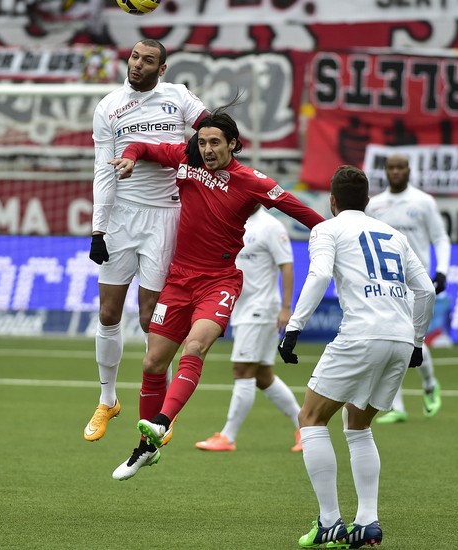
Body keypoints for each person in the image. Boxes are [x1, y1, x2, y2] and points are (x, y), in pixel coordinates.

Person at [108, 107, 325, 481]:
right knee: (152, 364)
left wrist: (341, 234)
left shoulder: (252, 181)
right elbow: (142, 147)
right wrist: (128, 158)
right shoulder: (184, 158)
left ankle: (161, 424)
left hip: (219, 282)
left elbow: (303, 213)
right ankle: (146, 448)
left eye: (214, 143)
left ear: (233, 144)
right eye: (202, 142)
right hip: (178, 280)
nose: (206, 149)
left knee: (195, 348)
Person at [277, 165, 435, 549]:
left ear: (332, 201)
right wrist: (415, 342)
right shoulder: (393, 234)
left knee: (311, 418)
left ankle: (330, 522)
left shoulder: (326, 229)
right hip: (399, 337)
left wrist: (293, 327)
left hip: (362, 334)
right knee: (358, 425)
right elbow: (426, 291)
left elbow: (318, 277)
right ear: (367, 202)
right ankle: (367, 522)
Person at [84, 39, 209, 443]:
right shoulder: (108, 107)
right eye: (135, 57)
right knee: (107, 312)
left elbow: (211, 130)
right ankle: (107, 400)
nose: (137, 65)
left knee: (152, 317)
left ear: (163, 68)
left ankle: (160, 414)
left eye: (148, 60)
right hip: (121, 217)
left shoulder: (178, 97)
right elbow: (103, 171)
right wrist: (97, 228)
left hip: (166, 217)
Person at [194, 205, 304, 453]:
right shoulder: (230, 220)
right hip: (242, 308)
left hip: (261, 308)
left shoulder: (270, 226)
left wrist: (287, 307)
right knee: (263, 376)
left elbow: (286, 266)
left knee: (242, 370)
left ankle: (227, 437)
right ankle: (306, 428)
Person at [365, 153, 450, 423]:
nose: (396, 172)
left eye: (400, 167)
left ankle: (429, 384)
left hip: (416, 282)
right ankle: (396, 406)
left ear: (408, 170)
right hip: (386, 283)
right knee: (389, 341)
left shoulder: (423, 202)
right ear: (385, 171)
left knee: (413, 340)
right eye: (391, 167)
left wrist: (443, 270)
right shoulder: (375, 205)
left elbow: (441, 238)